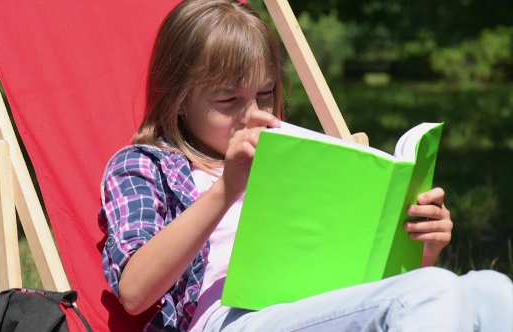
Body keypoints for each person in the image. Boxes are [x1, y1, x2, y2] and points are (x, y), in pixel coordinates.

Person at [98, 0, 513, 331]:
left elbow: (359, 279)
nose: (252, 113)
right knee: (430, 292)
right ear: (178, 99)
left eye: (265, 93)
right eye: (227, 101)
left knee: (494, 291)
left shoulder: (296, 153)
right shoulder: (145, 165)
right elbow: (134, 292)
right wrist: (226, 190)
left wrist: (423, 247)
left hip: (322, 303)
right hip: (233, 317)